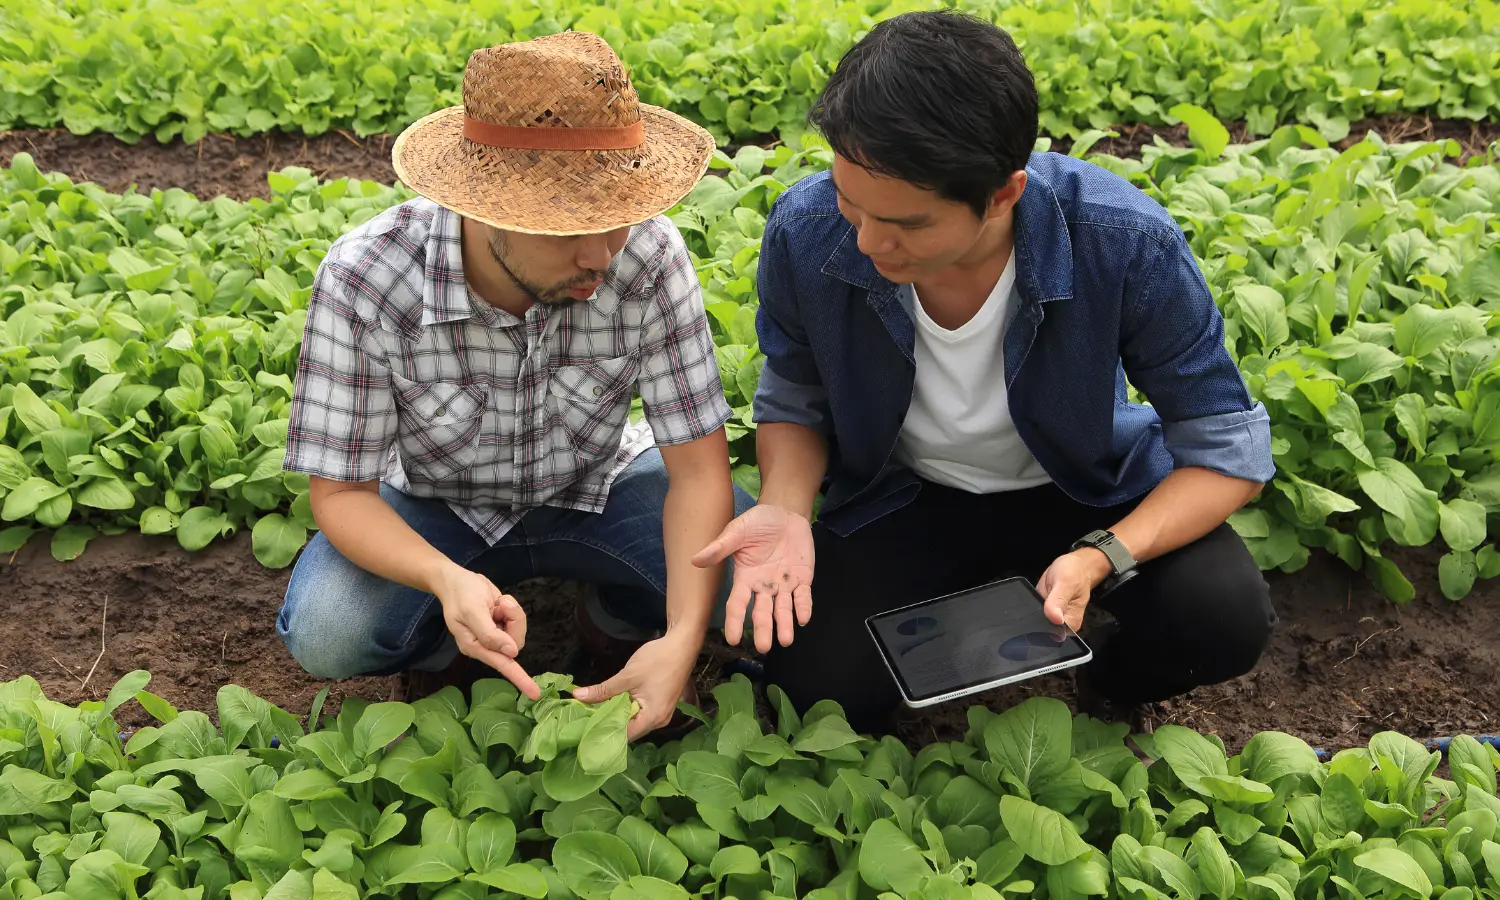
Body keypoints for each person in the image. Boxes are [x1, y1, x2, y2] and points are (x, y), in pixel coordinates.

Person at [693, 9, 1278, 734]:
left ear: (1003, 193)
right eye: (851, 202)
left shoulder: (1122, 242)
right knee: (815, 686)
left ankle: (1109, 681)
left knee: (1219, 617)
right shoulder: (807, 231)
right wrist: (784, 506)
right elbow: (796, 391)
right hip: (908, 498)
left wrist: (1102, 557)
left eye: (907, 224)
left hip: (1080, 490)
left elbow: (1227, 449)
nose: (868, 241)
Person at [277, 31, 753, 740]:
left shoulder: (650, 257)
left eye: (616, 220)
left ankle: (619, 619)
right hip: (433, 505)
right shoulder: (367, 277)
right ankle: (443, 647)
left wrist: (681, 640)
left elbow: (697, 472)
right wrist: (444, 581)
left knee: (753, 586)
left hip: (604, 487)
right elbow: (340, 494)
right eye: (568, 232)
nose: (601, 255)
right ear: (482, 209)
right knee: (329, 629)